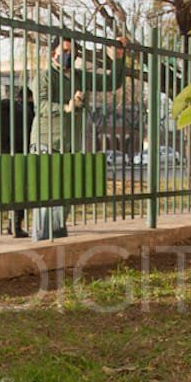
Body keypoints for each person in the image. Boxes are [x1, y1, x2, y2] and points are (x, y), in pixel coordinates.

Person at [29, 36, 127, 240]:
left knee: (66, 189)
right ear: (53, 53)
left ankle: (57, 231)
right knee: (47, 190)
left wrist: (118, 58)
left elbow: (112, 83)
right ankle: (41, 235)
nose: (69, 56)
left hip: (71, 141)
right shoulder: (44, 76)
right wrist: (66, 107)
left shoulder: (79, 76)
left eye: (73, 53)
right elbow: (41, 106)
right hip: (47, 140)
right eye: (65, 51)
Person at [0, 88, 35, 238]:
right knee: (21, 190)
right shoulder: (28, 111)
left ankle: (10, 224)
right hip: (21, 154)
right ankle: (16, 226)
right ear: (30, 98)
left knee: (9, 189)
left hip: (3, 154)